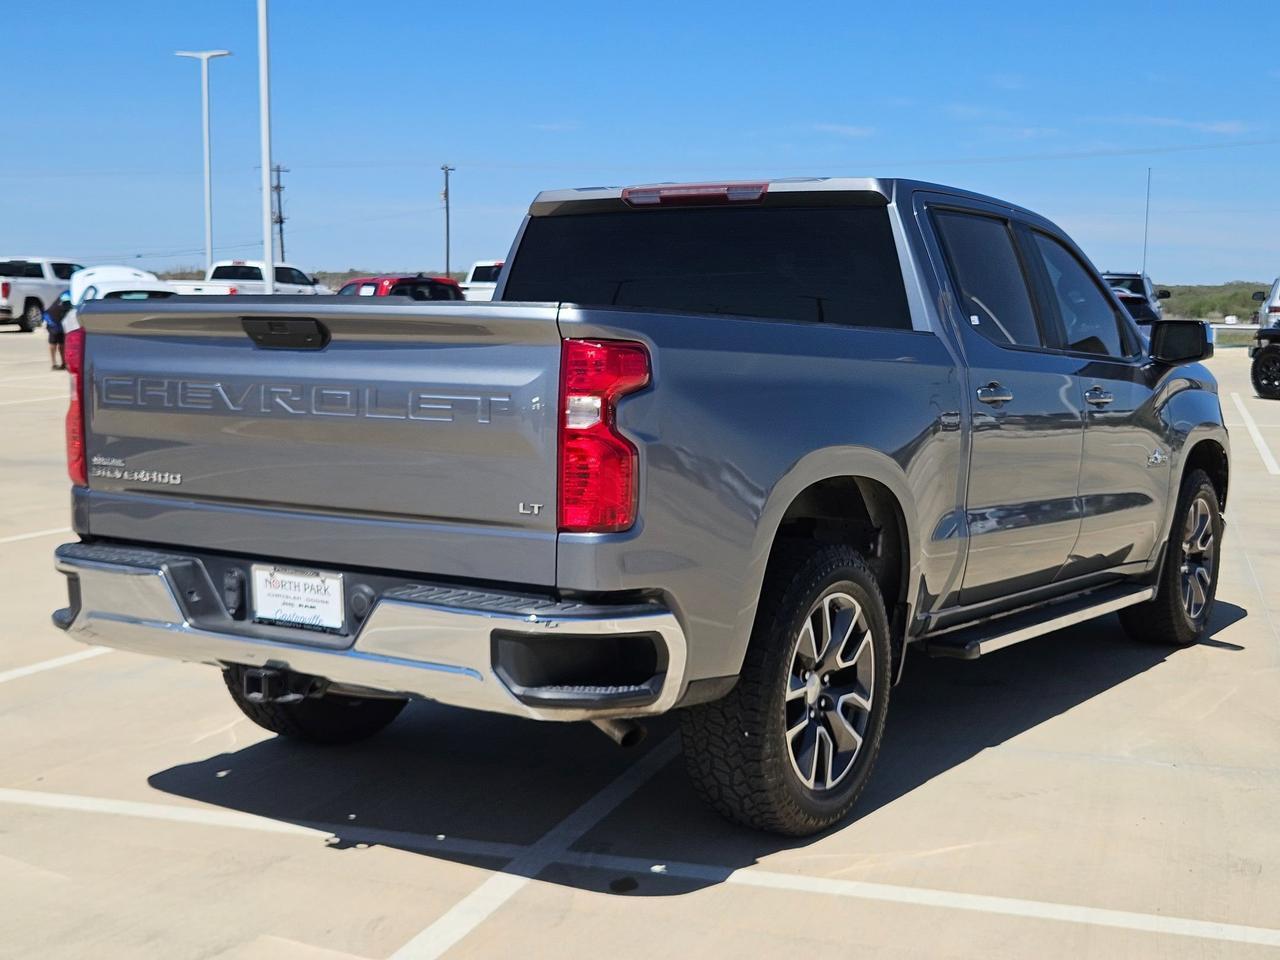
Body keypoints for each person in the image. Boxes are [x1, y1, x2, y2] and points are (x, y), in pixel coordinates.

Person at [44, 290, 72, 370]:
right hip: (52, 321)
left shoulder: (69, 295)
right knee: (53, 343)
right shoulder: (67, 297)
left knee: (62, 343)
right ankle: (54, 364)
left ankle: (64, 363)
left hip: (60, 321)